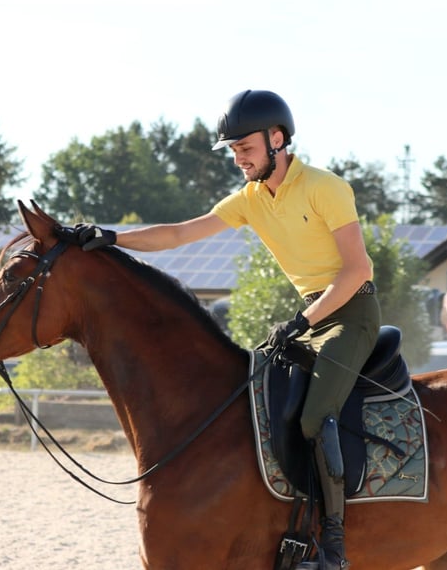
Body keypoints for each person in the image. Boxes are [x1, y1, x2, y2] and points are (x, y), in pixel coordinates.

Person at [76, 89, 380, 570]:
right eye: (234, 151)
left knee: (312, 416)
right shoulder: (251, 200)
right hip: (311, 315)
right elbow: (177, 234)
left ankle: (334, 546)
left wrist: (302, 322)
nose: (238, 159)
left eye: (245, 148)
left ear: (277, 139)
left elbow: (357, 271)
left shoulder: (326, 187)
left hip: (352, 313)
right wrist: (111, 237)